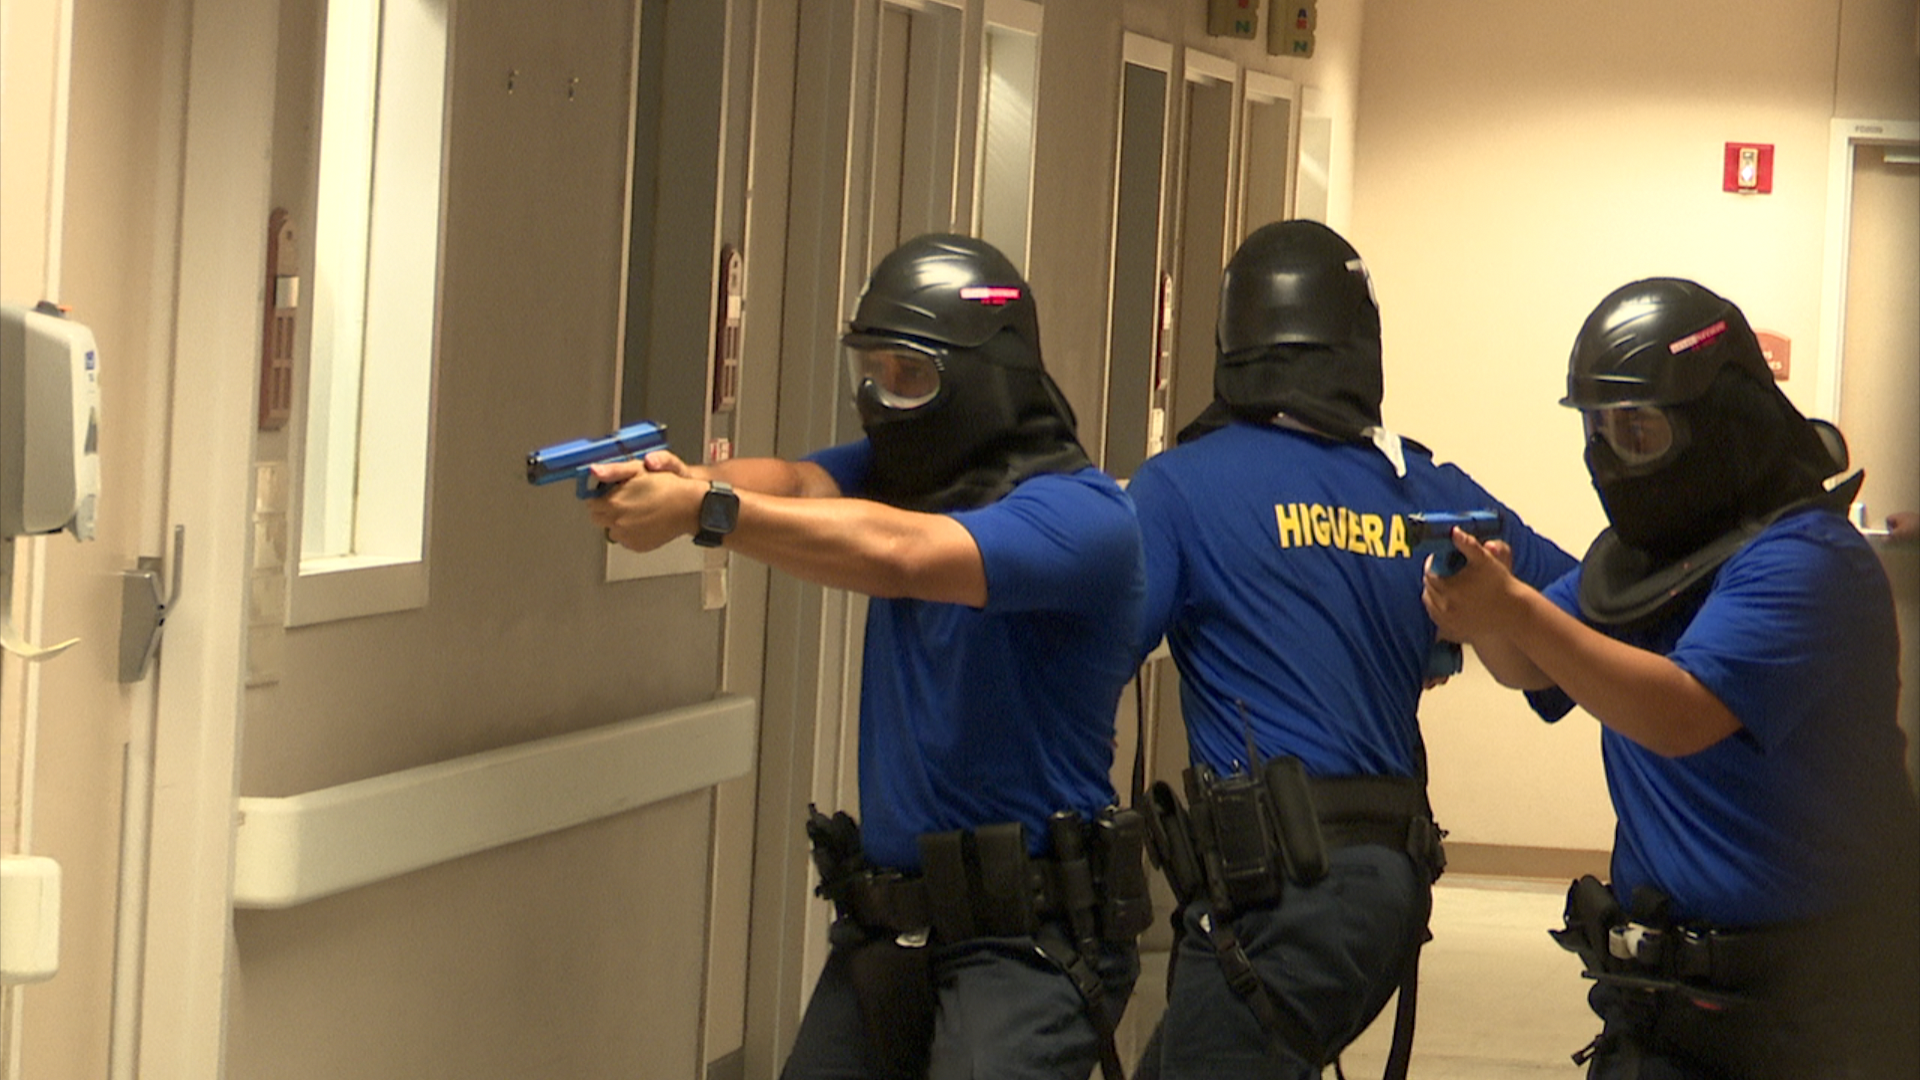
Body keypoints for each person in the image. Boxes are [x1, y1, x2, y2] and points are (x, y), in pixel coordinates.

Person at [588, 234, 1150, 1080]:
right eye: (876, 371)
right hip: (893, 926)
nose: (886, 399)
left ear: (984, 374)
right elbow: (803, 486)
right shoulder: (904, 477)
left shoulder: (1083, 519)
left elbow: (905, 557)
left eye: (911, 376)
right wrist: (681, 479)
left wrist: (706, 510)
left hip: (1026, 945)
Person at [1421, 277, 1920, 1079]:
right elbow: (1530, 664)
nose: (1613, 459)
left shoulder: (1804, 561)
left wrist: (1511, 609)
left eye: (1639, 430)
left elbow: (1681, 715)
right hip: (1662, 1010)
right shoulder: (1645, 564)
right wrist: (1481, 617)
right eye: (1598, 430)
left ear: (1717, 419)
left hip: (1818, 1017)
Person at [1126, 220, 1576, 1080]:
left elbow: (1093, 662)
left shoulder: (1179, 486)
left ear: (1233, 342)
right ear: (1361, 345)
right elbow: (1592, 601)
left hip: (1276, 892)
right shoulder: (1425, 487)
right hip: (1379, 890)